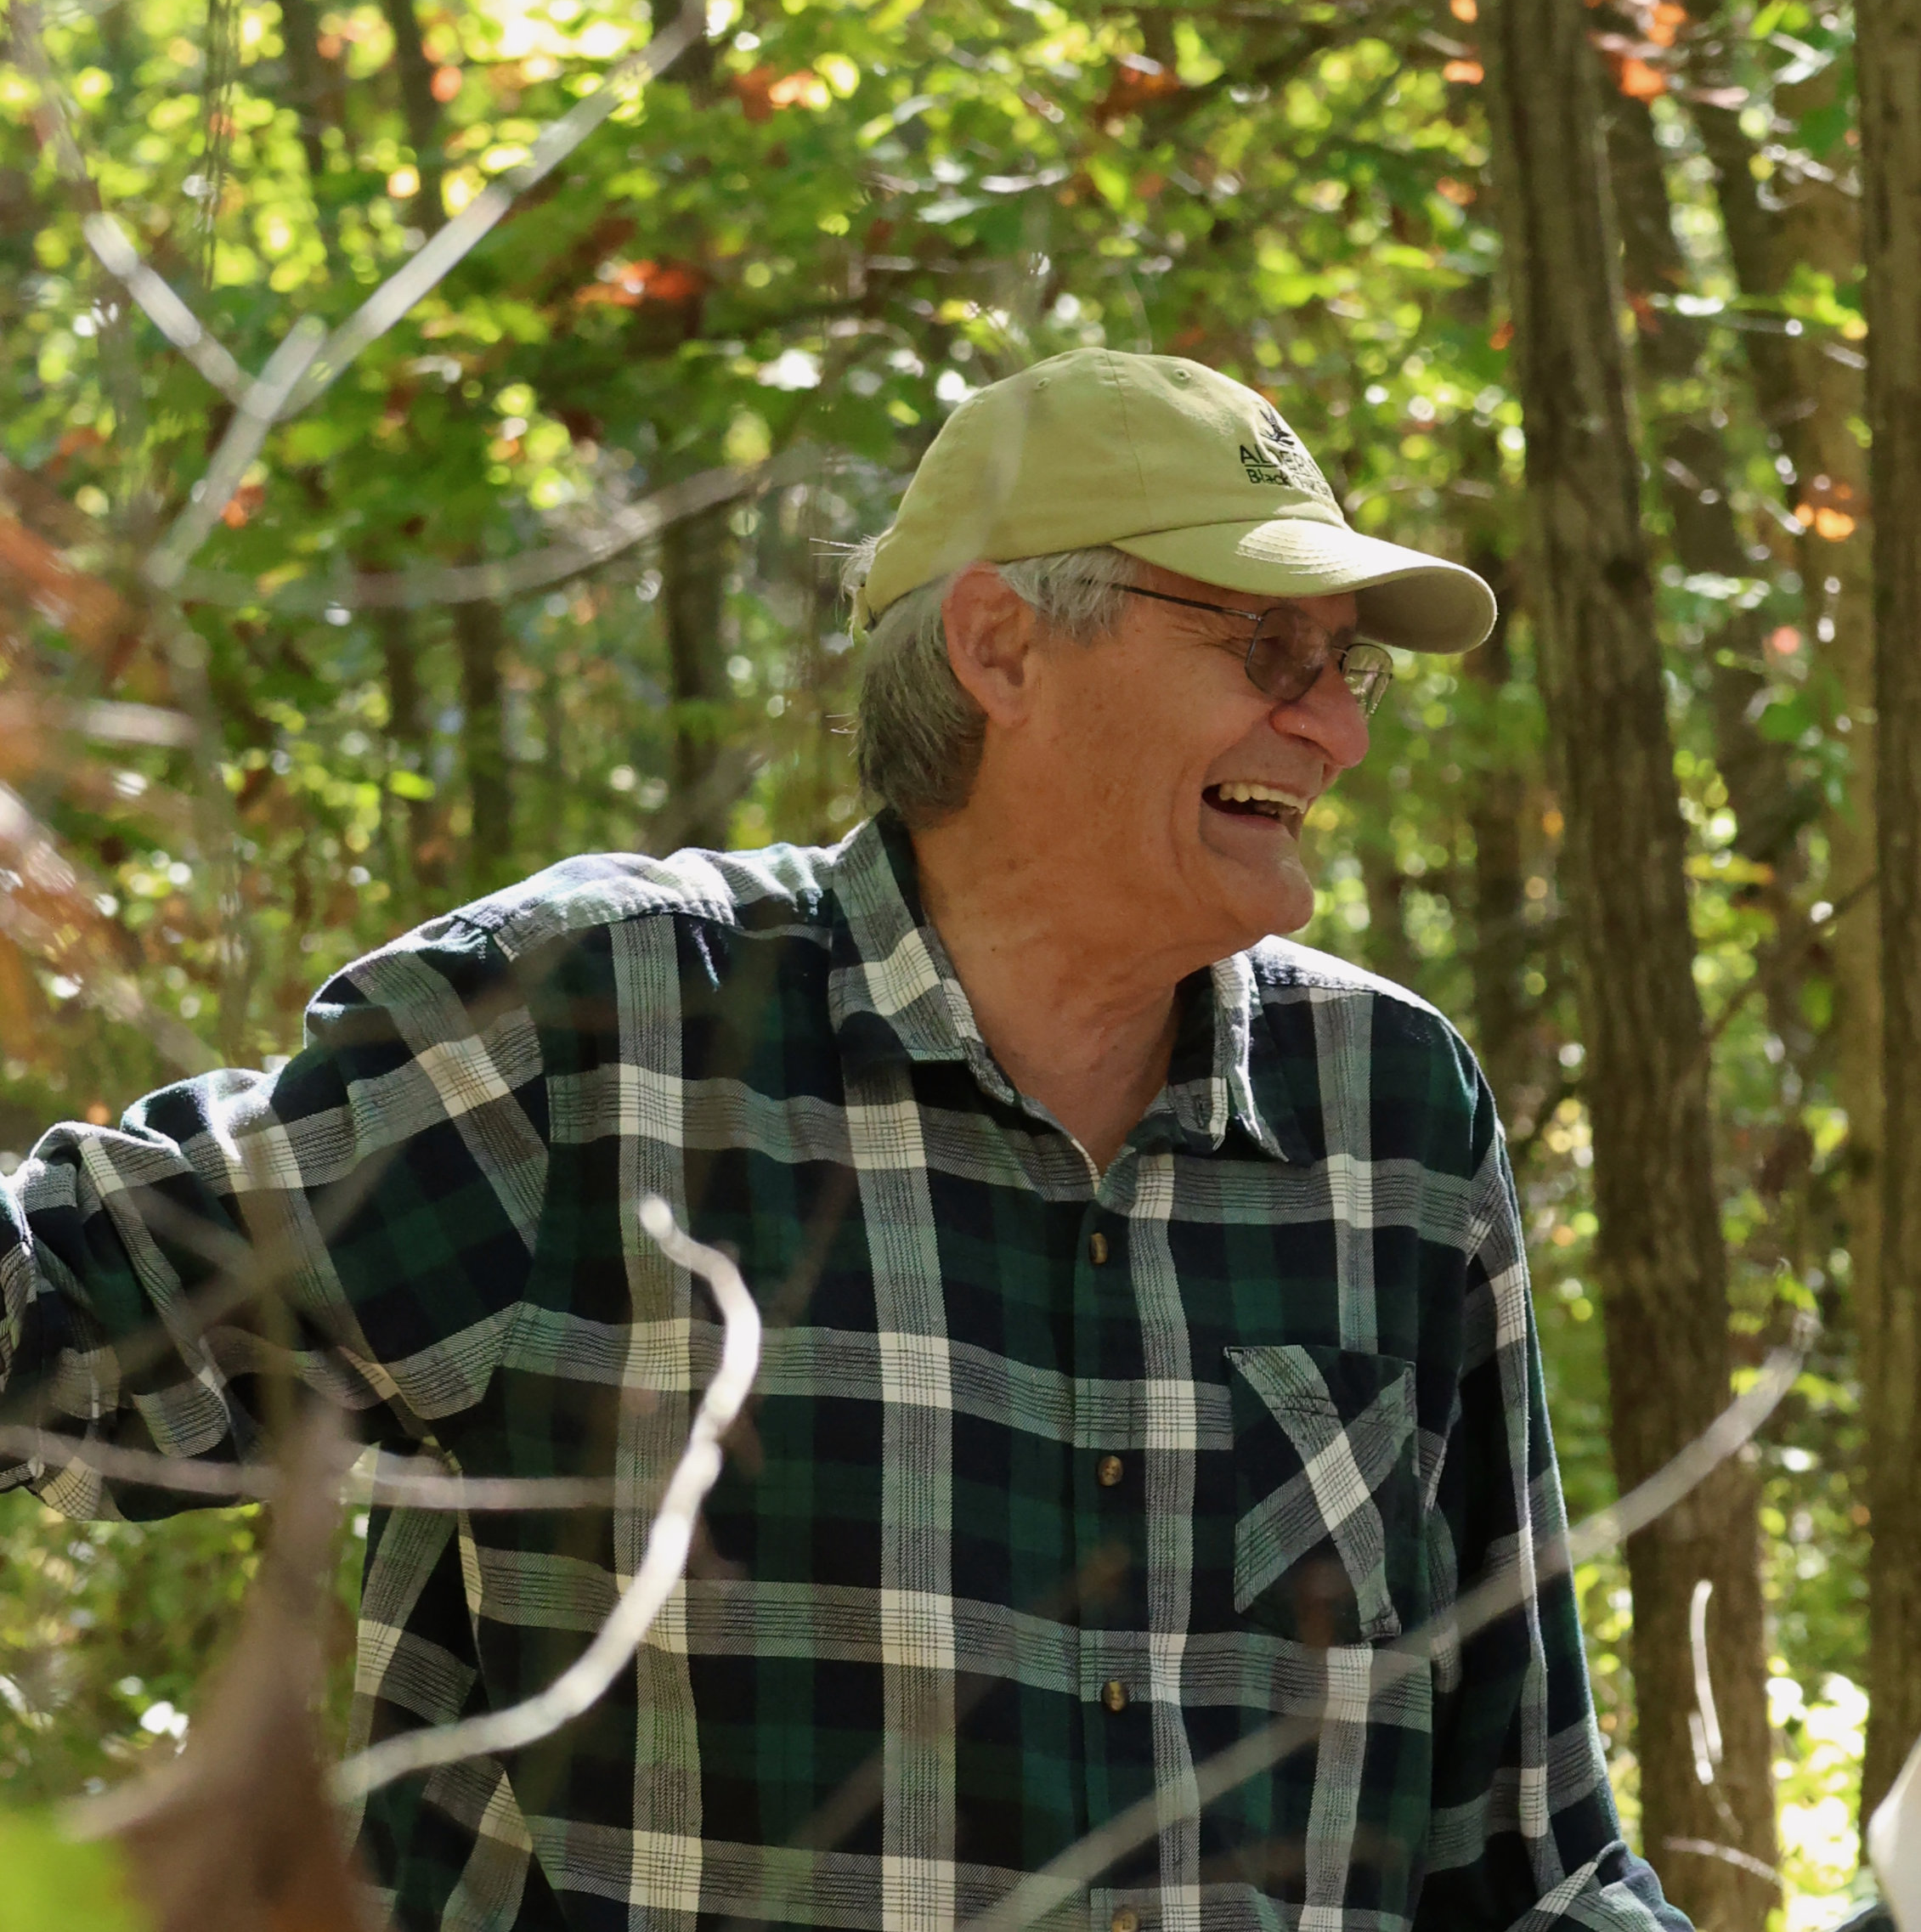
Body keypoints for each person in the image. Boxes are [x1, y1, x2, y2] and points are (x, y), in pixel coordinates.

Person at [0, 348, 1686, 1932]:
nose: (1341, 729)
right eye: (1268, 653)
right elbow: (54, 1317)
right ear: (1000, 647)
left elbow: (1524, 1853)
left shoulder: (1389, 1121)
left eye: (1352, 669)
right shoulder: (595, 1035)